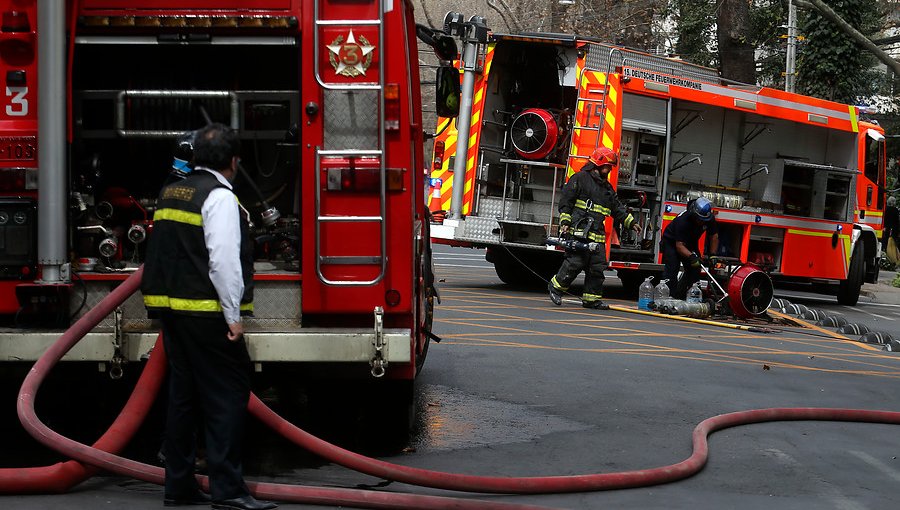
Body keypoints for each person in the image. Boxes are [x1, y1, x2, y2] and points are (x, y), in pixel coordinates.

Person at [142, 123, 276, 510]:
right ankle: (229, 490)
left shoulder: (172, 191)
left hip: (173, 315)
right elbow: (223, 263)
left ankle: (179, 485)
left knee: (183, 398)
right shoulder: (219, 197)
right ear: (234, 162)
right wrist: (233, 316)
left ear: (195, 156)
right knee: (227, 397)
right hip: (208, 315)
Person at [548, 147, 641, 309]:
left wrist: (631, 223)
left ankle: (591, 299)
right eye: (608, 166)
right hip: (579, 232)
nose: (609, 169)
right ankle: (555, 288)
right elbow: (566, 202)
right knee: (574, 264)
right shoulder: (580, 179)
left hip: (596, 236)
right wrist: (565, 222)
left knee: (597, 268)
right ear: (598, 164)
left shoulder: (606, 189)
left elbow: (617, 208)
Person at [660, 196, 719, 300]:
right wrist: (692, 257)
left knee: (695, 268)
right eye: (700, 220)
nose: (702, 222)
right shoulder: (683, 221)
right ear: (694, 214)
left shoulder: (709, 219)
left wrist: (713, 254)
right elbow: (679, 246)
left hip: (690, 242)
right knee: (672, 268)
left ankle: (687, 295)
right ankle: (669, 298)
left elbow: (714, 236)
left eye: (704, 220)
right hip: (672, 242)